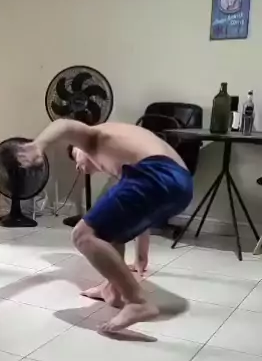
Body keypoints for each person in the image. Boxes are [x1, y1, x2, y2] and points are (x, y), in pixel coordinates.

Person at [18, 119, 193, 333]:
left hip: (156, 173)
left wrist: (39, 144)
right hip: (181, 185)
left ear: (80, 147)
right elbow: (136, 219)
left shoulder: (94, 138)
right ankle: (113, 290)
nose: (77, 166)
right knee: (110, 230)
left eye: (75, 156)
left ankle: (137, 301)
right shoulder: (124, 153)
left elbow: (64, 124)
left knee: (82, 235)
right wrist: (141, 257)